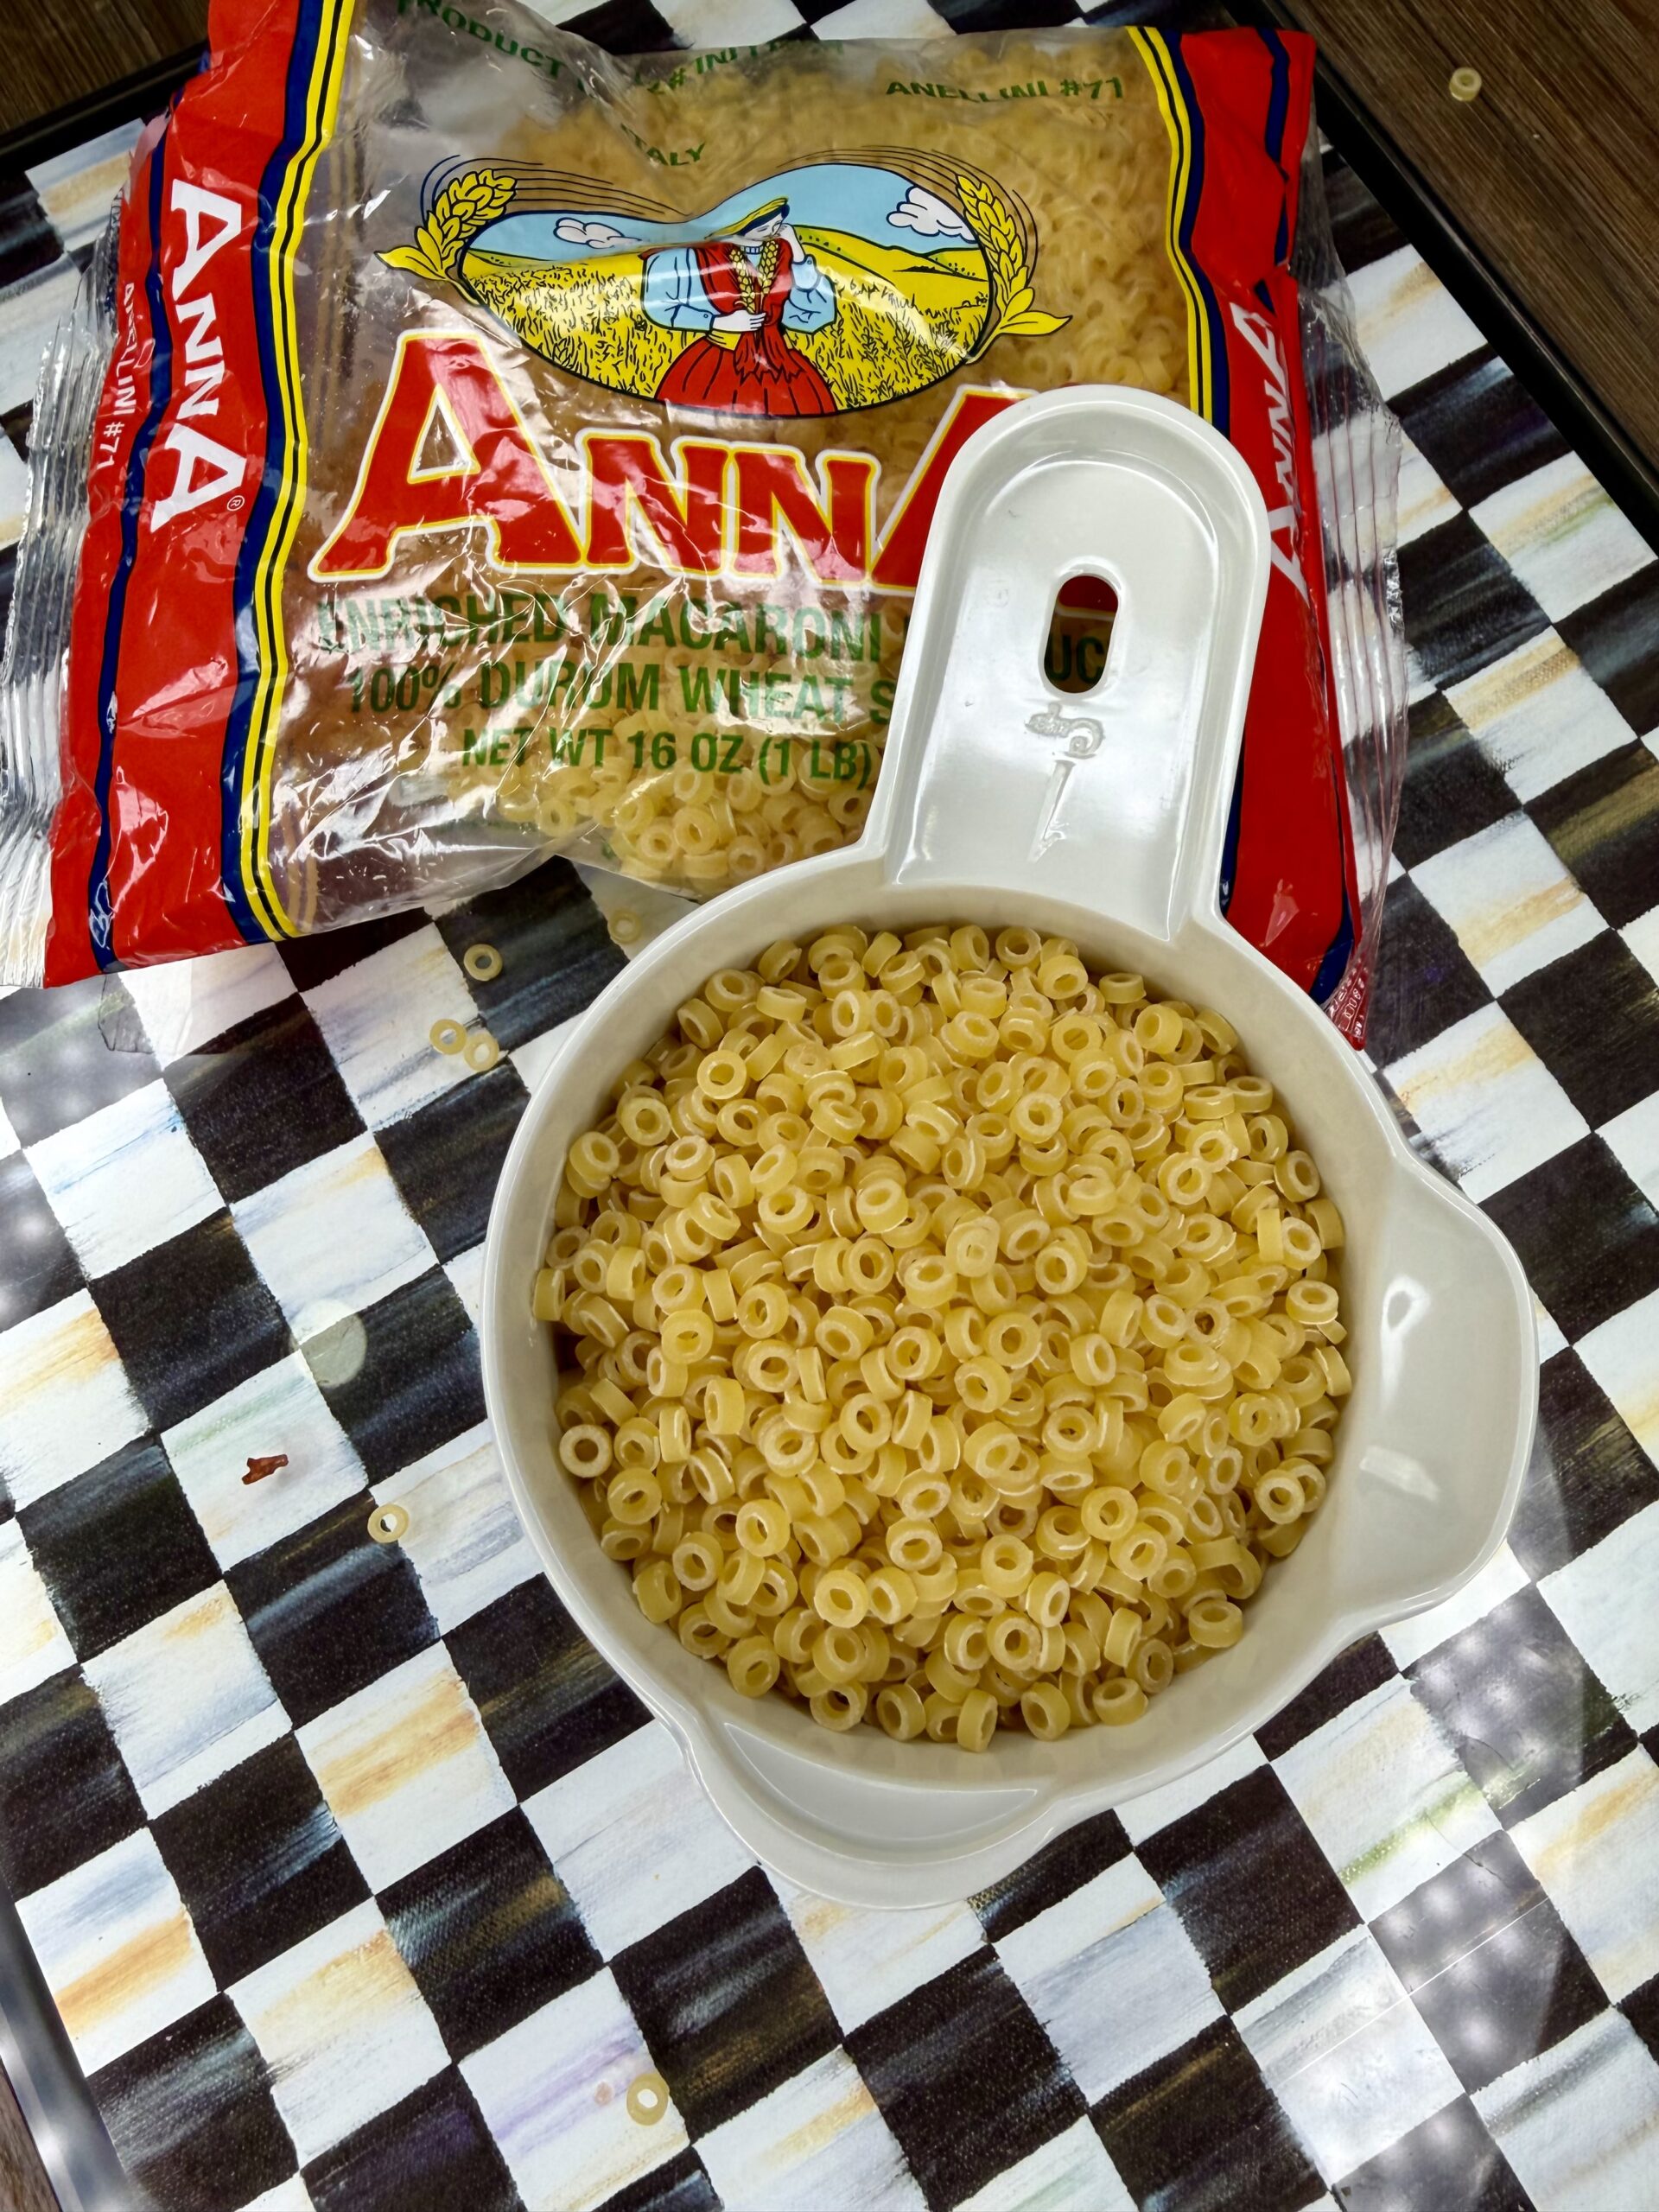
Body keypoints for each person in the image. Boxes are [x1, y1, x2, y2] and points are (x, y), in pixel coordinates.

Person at [644, 198, 836, 416]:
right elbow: (660, 305)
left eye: (777, 225)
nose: (771, 232)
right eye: (762, 228)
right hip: (717, 361)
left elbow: (819, 313)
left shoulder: (785, 254)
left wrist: (797, 252)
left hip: (780, 361)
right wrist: (717, 322)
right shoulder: (698, 254)